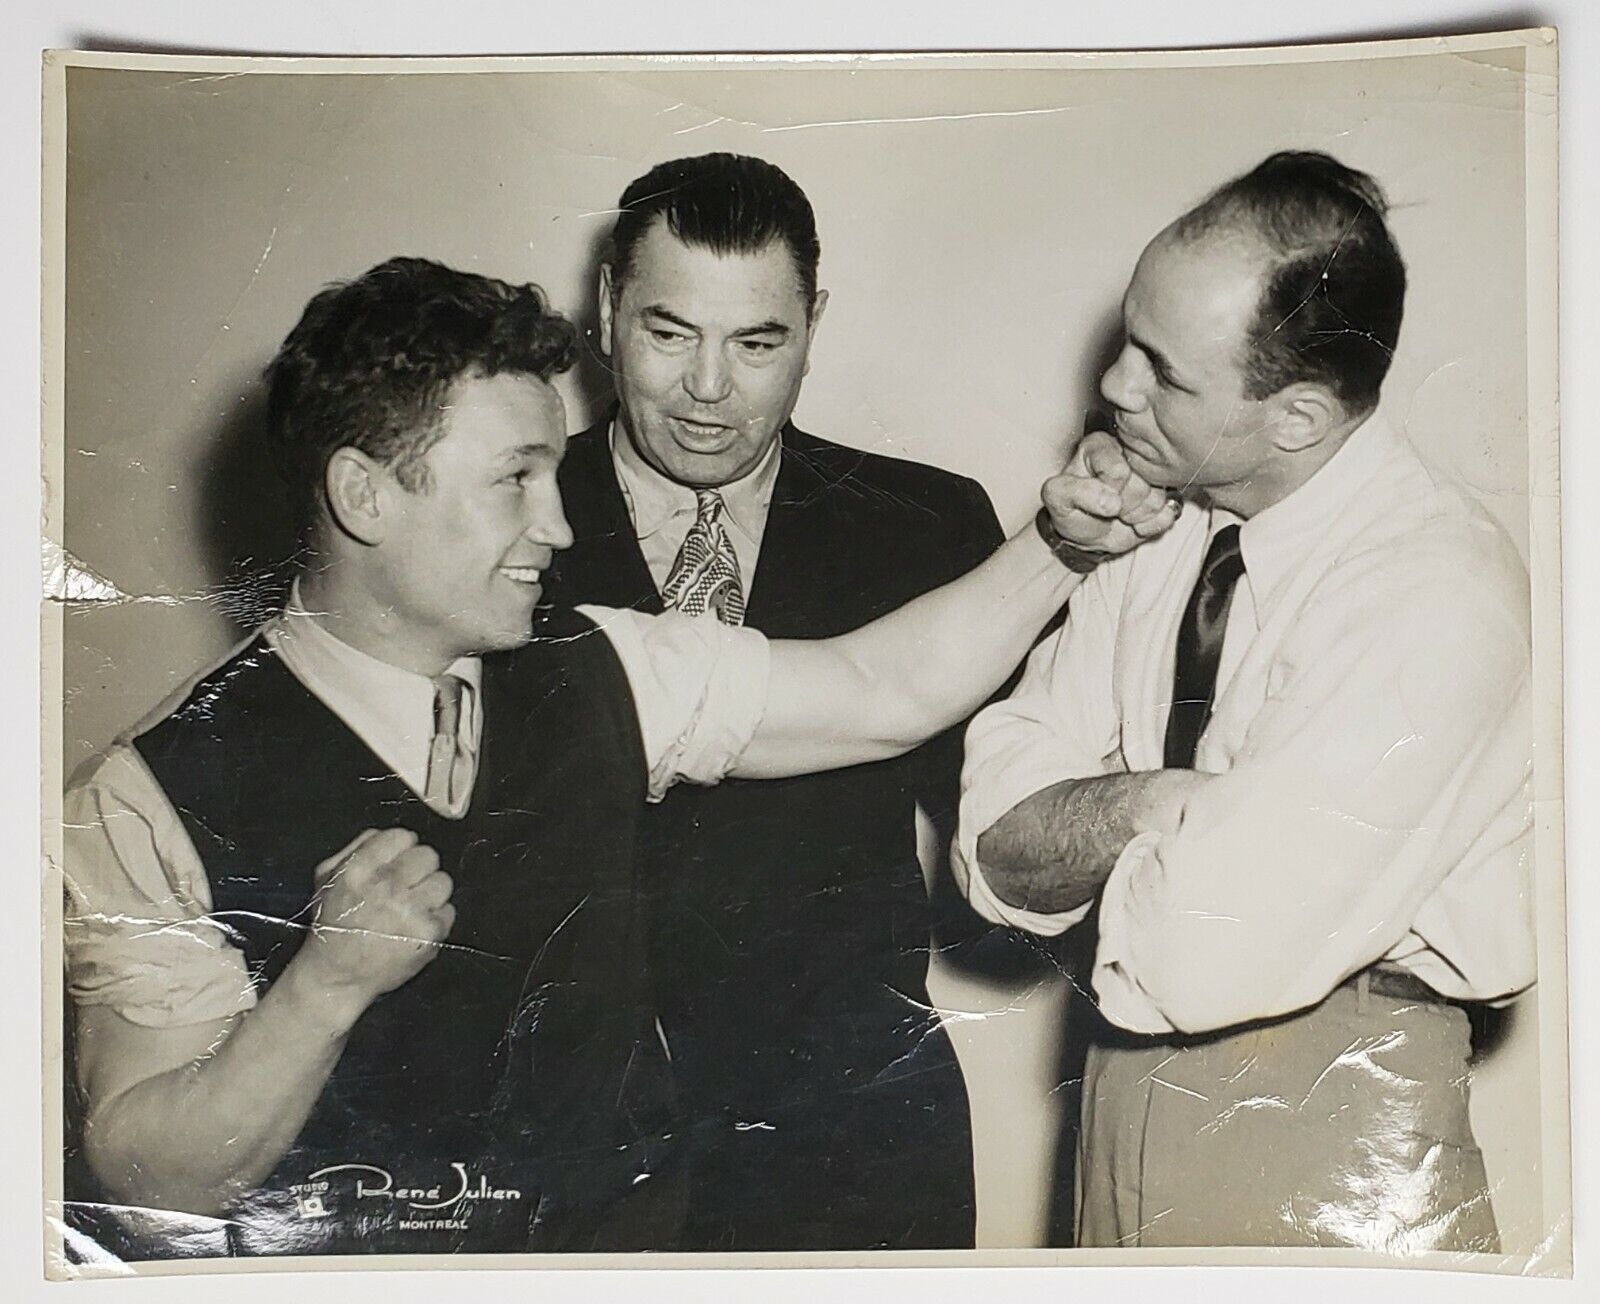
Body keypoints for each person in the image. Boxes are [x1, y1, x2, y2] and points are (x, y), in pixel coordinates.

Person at [62, 256, 1175, 1259]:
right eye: (515, 478)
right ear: (363, 493)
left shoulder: (602, 664)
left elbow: (881, 690)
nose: (555, 523)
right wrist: (319, 989)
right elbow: (147, 1176)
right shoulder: (142, 794)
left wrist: (1064, 544)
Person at [954, 151, 1534, 1252]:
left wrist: (1089, 831)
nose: (1117, 385)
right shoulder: (1157, 521)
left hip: (1333, 1119)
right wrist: (1153, 806)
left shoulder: (1435, 592)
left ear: (1298, 417)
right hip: (1121, 1084)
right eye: (1127, 337)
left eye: (1164, 372)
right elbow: (993, 852)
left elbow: (1191, 955)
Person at [542, 152, 1007, 1250]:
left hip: (863, 1148)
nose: (710, 389)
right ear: (606, 313)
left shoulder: (927, 526)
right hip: (569, 1152)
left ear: (813, 323)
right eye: (669, 333)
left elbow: (1012, 818)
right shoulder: (500, 523)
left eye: (757, 342)